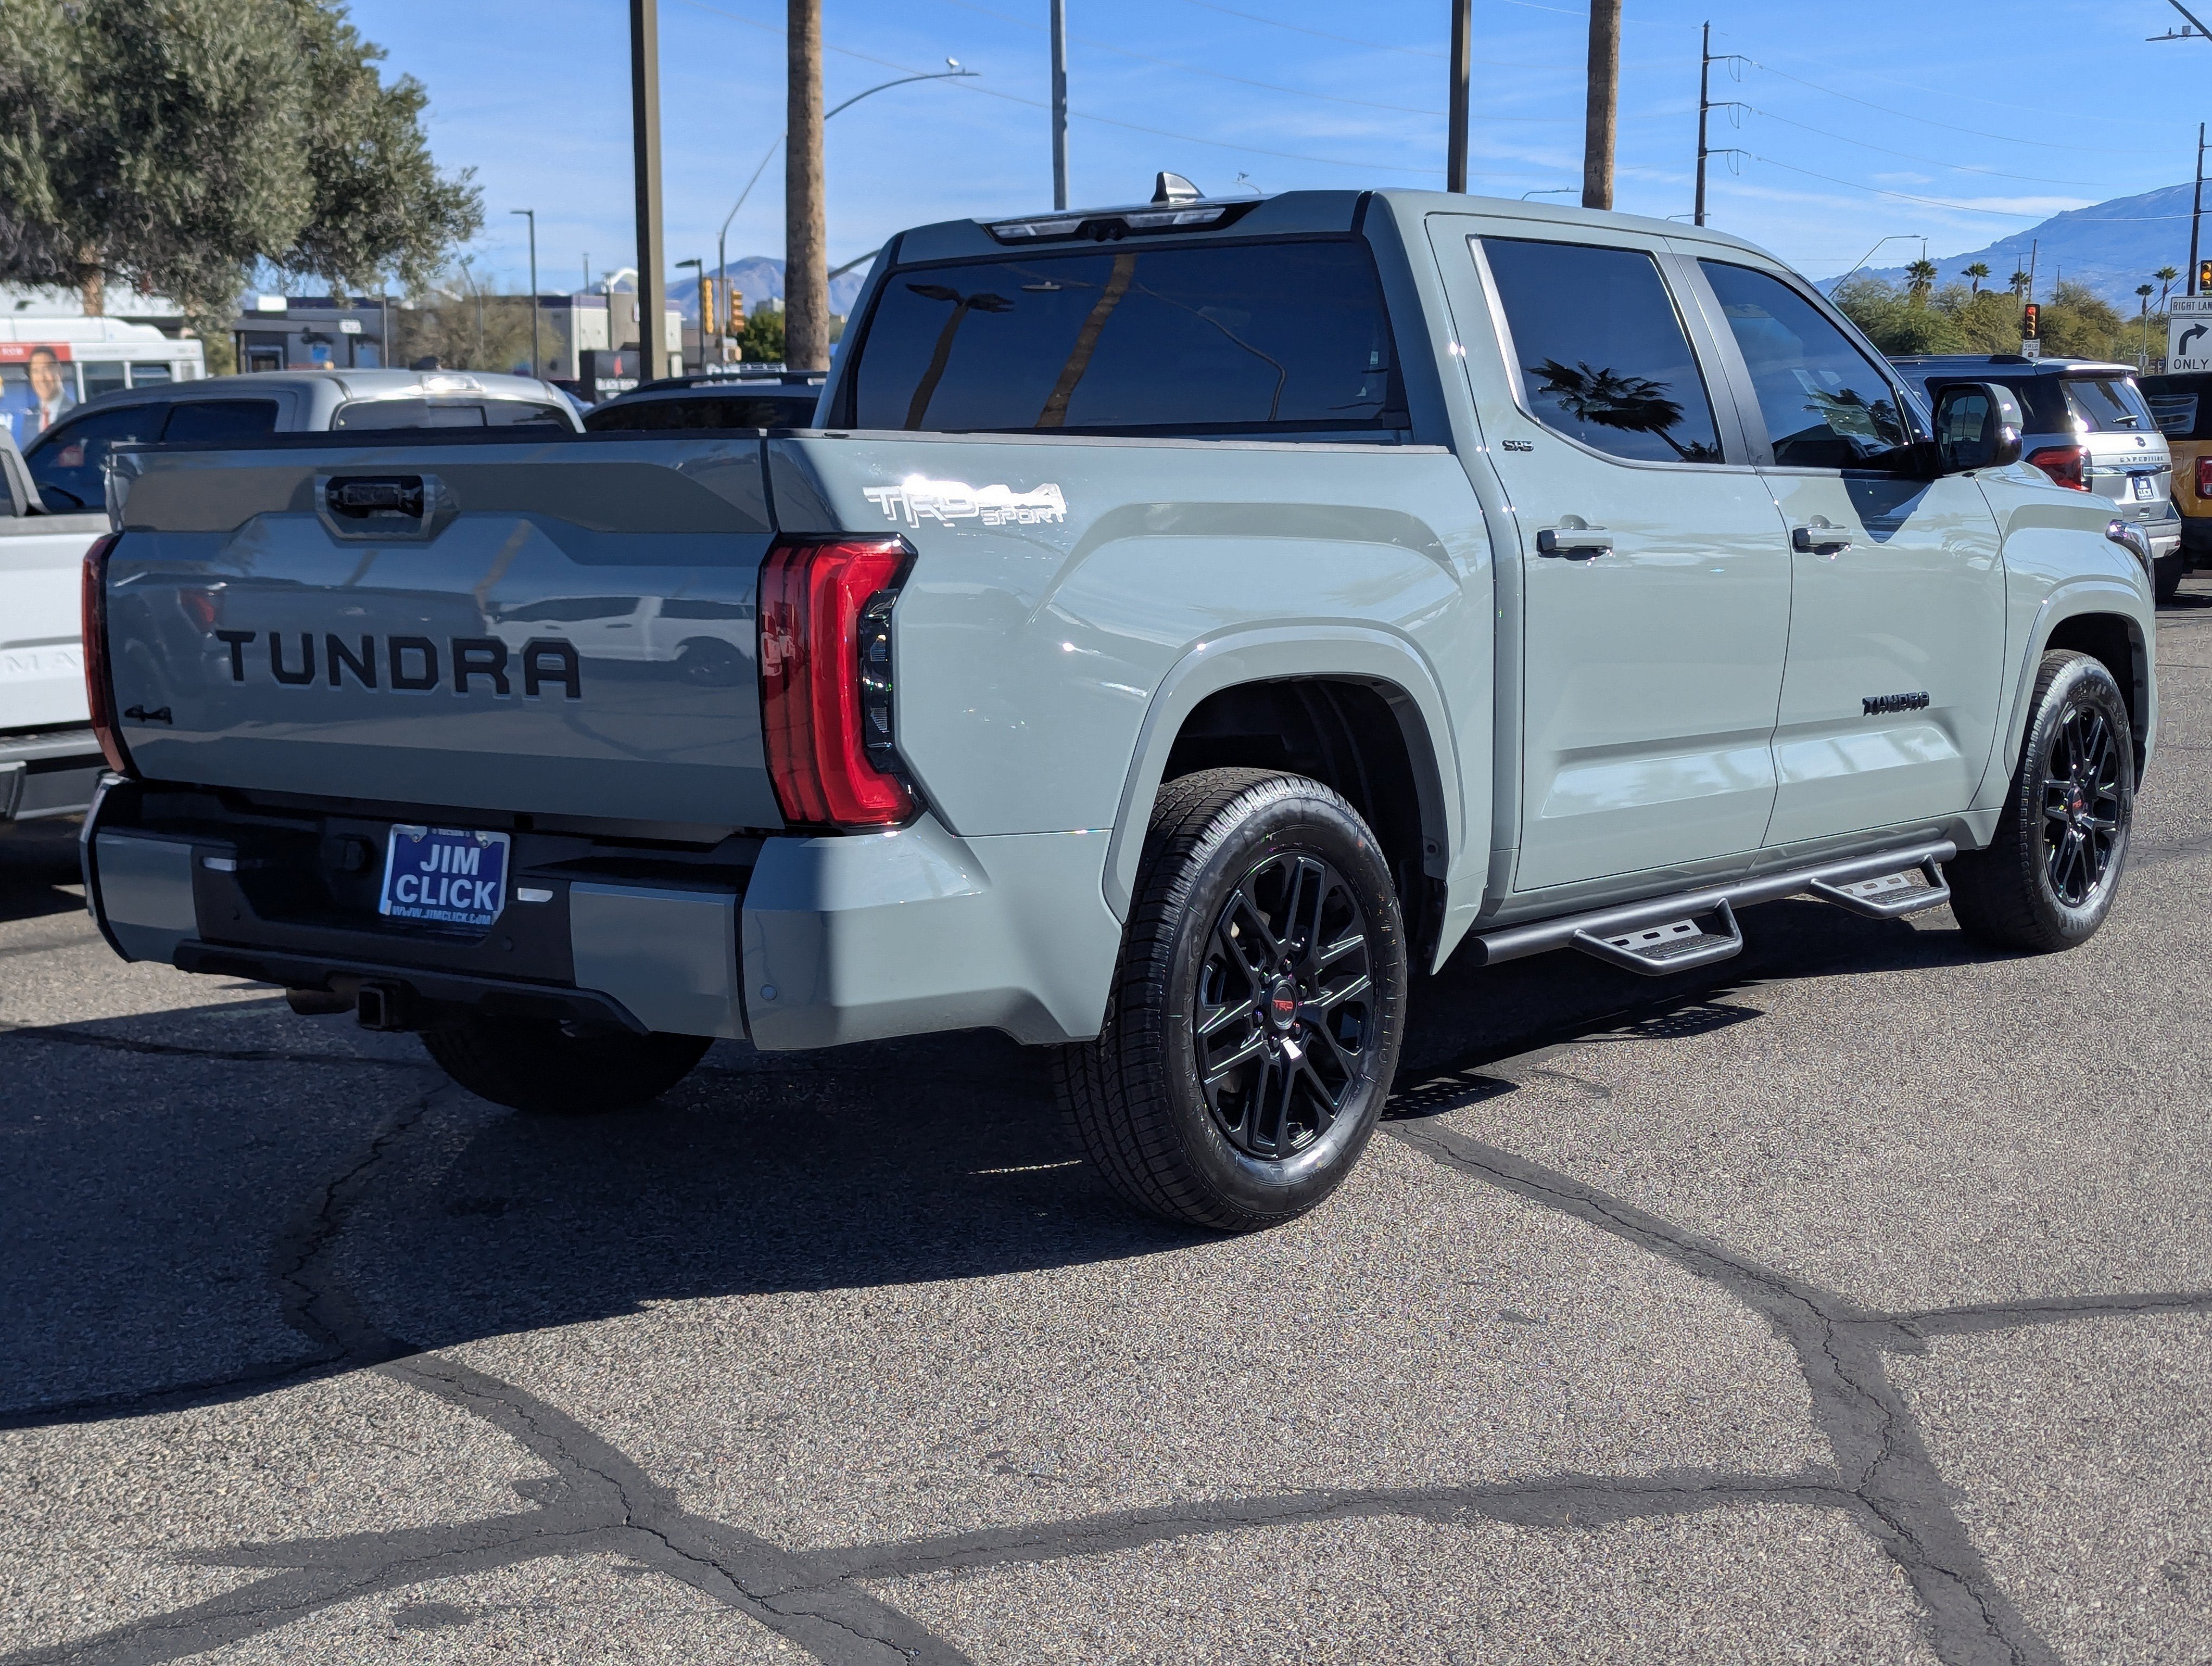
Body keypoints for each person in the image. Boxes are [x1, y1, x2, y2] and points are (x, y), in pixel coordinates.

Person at [0, 345, 76, 440]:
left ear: (60, 372)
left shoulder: (75, 411)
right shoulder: (30, 417)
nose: (42, 378)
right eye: (36, 371)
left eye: (46, 370)